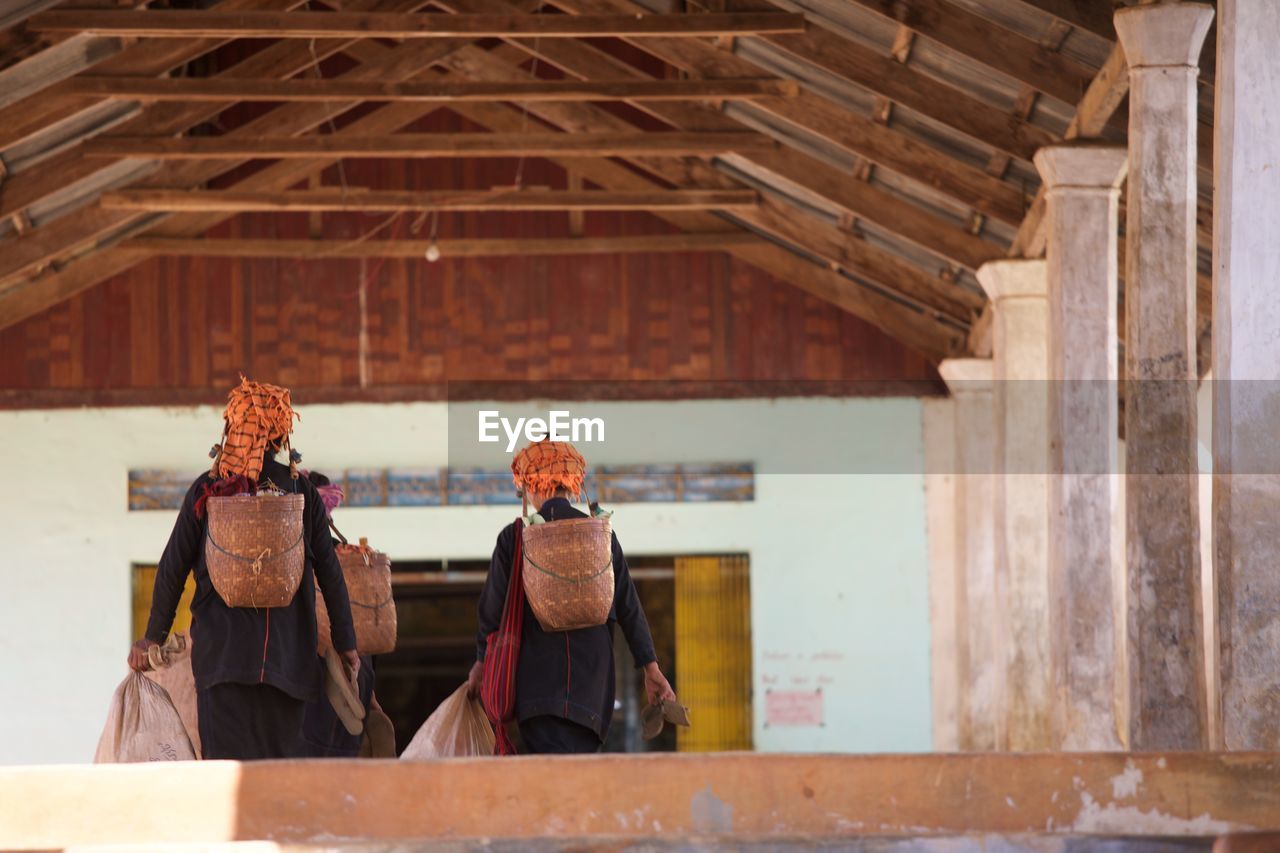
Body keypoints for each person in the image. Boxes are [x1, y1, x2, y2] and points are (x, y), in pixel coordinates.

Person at [127, 377, 360, 760]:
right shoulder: (301, 492)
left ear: (231, 426)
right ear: (280, 434)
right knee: (279, 785)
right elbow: (331, 575)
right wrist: (347, 643)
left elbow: (173, 566)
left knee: (225, 781)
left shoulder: (207, 490)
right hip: (289, 668)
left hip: (222, 666)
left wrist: (153, 637)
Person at [467, 438, 676, 754]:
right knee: (578, 776)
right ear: (572, 485)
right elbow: (629, 606)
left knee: (551, 783)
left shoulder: (516, 537)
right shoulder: (600, 534)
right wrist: (650, 667)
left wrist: (482, 663)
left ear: (531, 487)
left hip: (537, 689)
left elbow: (492, 610)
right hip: (591, 690)